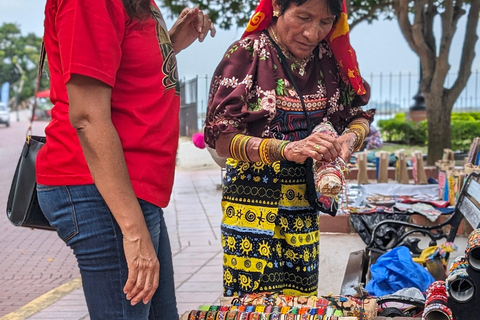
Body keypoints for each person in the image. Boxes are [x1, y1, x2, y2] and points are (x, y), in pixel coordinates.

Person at [36, 1, 215, 319]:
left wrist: (168, 42)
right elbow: (88, 118)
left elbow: (124, 68)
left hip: (128, 189)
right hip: (99, 190)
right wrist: (134, 232)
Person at [204, 0, 375, 297]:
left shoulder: (327, 60)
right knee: (254, 307)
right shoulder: (248, 54)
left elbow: (357, 116)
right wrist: (286, 150)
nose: (312, 33)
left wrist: (349, 140)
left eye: (325, 22)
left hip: (303, 208)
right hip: (253, 208)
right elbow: (220, 136)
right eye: (303, 17)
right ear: (278, 7)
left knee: (300, 304)